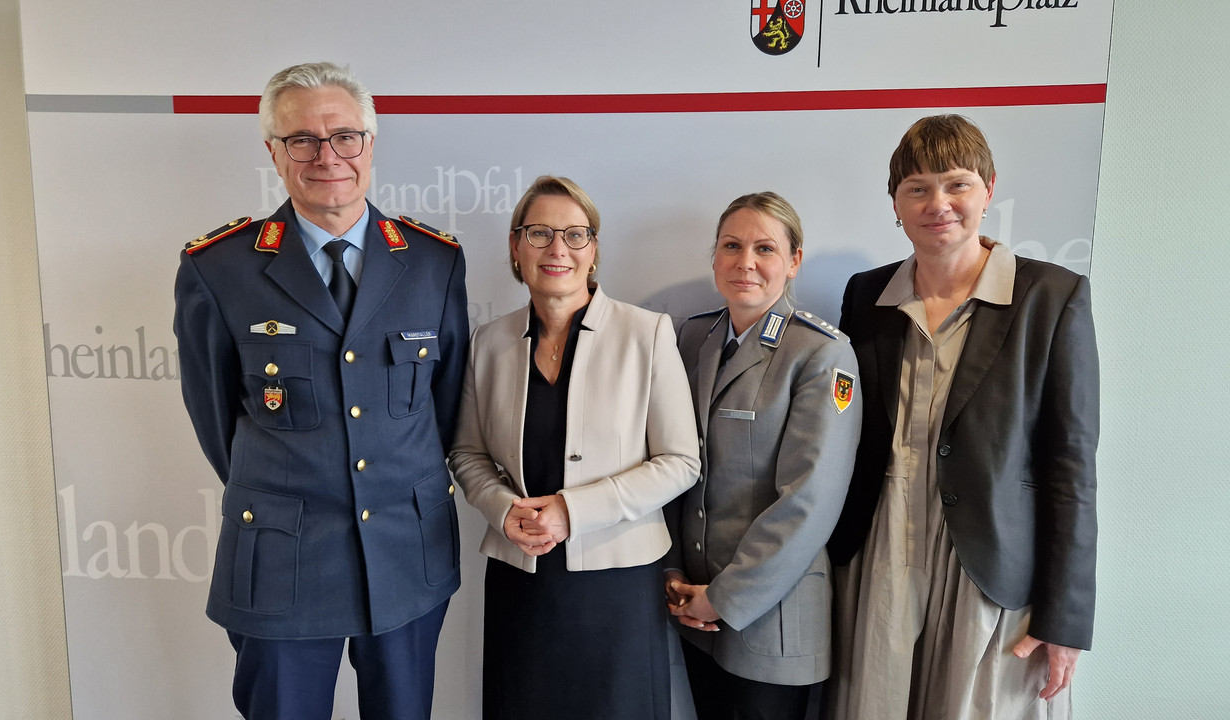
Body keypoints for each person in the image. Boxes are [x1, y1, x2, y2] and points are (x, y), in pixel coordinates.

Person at [173, 62, 468, 720]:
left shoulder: (434, 261)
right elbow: (217, 417)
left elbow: (443, 408)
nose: (326, 155)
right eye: (301, 139)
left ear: (371, 142)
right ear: (273, 152)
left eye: (344, 136)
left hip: (403, 548)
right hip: (284, 557)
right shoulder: (219, 268)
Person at [826, 114, 1099, 720]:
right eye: (917, 188)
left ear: (989, 188)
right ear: (895, 202)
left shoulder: (1051, 298)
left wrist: (1066, 616)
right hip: (878, 553)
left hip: (988, 566)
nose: (937, 203)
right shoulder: (864, 296)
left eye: (956, 184)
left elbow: (1070, 466)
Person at [448, 175, 700, 719]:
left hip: (618, 586)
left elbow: (681, 463)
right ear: (516, 249)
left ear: (594, 251)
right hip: (522, 579)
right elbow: (466, 454)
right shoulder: (488, 342)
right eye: (539, 233)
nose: (557, 248)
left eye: (575, 234)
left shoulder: (648, 333)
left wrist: (571, 510)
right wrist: (501, 508)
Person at [664, 192, 862, 719]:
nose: (744, 261)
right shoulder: (692, 339)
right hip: (692, 611)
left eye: (764, 248)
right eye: (731, 245)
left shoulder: (822, 354)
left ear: (794, 261)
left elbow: (809, 501)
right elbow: (670, 465)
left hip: (772, 619)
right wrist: (672, 572)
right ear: (714, 258)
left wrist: (723, 598)